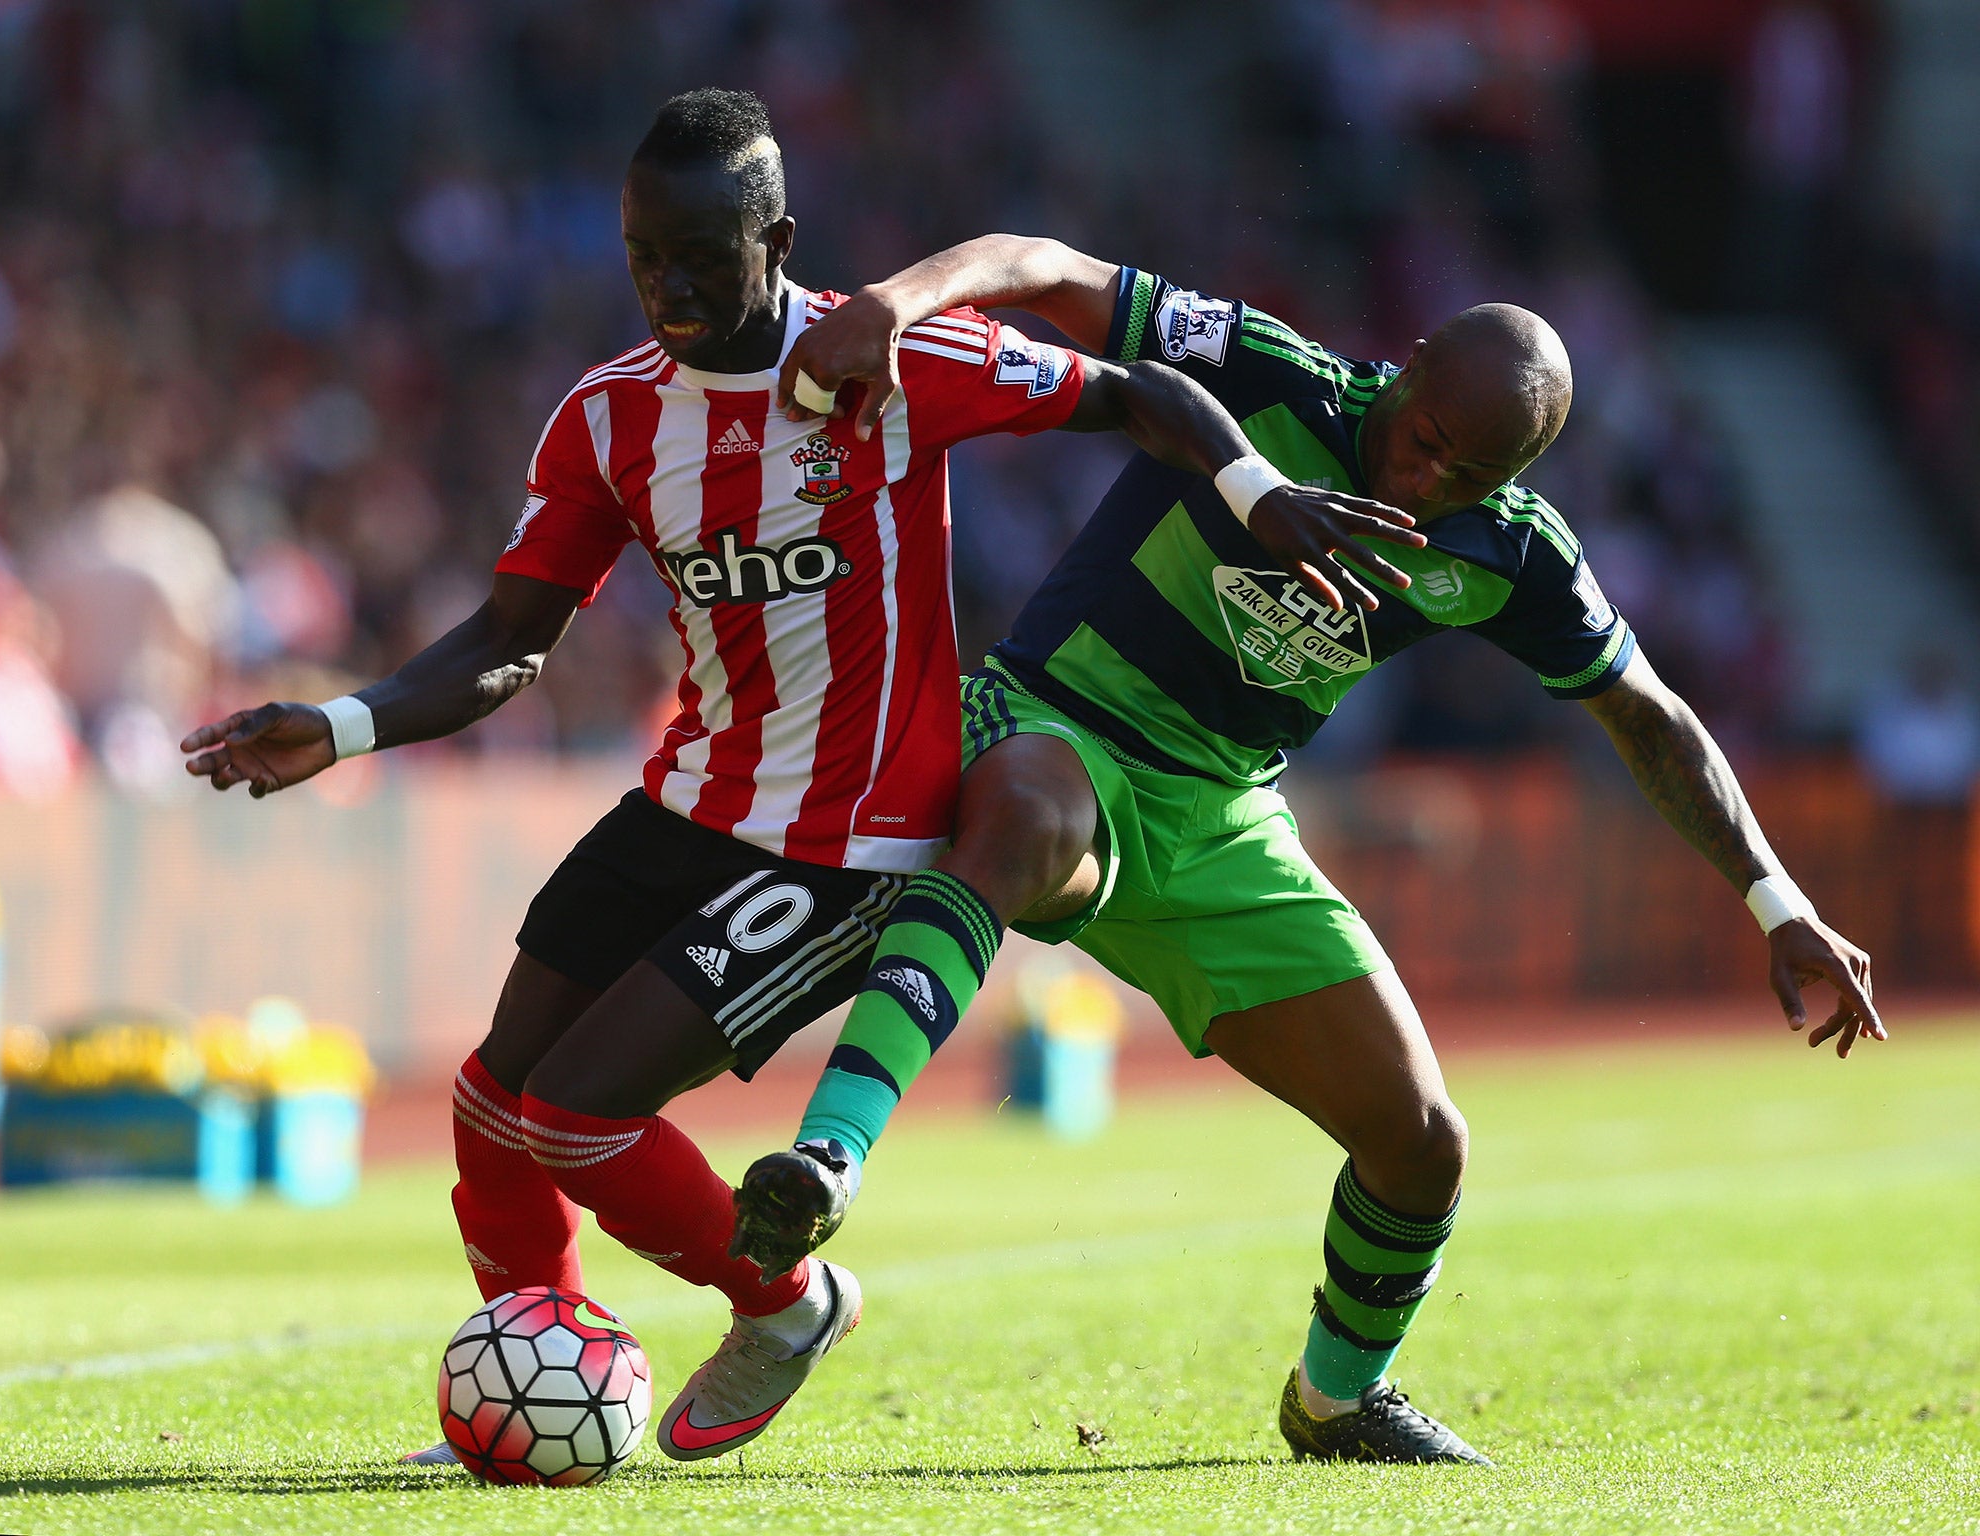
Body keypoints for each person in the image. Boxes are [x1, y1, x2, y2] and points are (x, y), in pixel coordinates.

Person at [178, 100, 1419, 1467]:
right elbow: (506, 644)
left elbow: (1146, 395)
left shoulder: (899, 368)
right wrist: (345, 723)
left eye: (707, 256)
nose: (675, 288)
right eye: (649, 256)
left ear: (775, 241)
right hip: (690, 803)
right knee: (490, 1108)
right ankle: (538, 1381)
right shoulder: (609, 418)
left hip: (854, 845)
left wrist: (1253, 490)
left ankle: (789, 1302)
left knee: (576, 1116)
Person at [729, 235, 1884, 1466]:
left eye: (1468, 468)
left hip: (1224, 819)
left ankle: (1336, 1399)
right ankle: (826, 1159)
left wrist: (1773, 901)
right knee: (1021, 821)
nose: (1425, 474)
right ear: (1412, 362)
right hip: (1056, 725)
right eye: (1424, 432)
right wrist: (894, 305)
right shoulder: (1275, 377)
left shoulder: (1508, 551)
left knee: (1422, 1142)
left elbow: (1648, 715)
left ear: (1519, 473)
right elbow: (1042, 265)